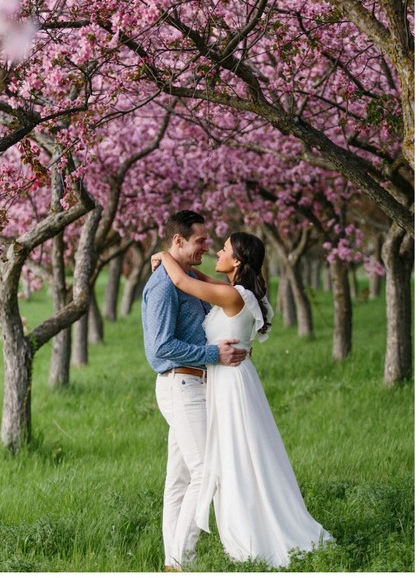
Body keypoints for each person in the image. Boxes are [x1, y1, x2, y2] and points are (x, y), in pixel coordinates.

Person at [154, 233, 332, 568]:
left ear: (236, 261)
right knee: (237, 458)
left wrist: (164, 254)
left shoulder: (232, 296)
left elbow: (181, 279)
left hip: (228, 383)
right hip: (230, 379)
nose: (216, 252)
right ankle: (180, 555)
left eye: (223, 249)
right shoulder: (237, 293)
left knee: (226, 461)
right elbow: (204, 279)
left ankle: (182, 559)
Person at [142, 210, 248, 569]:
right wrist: (212, 354)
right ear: (179, 241)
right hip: (180, 384)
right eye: (201, 240)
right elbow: (159, 349)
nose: (207, 244)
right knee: (207, 472)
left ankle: (172, 560)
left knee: (181, 477)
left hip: (195, 384)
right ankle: (180, 562)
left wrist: (167, 259)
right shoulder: (163, 285)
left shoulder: (185, 276)